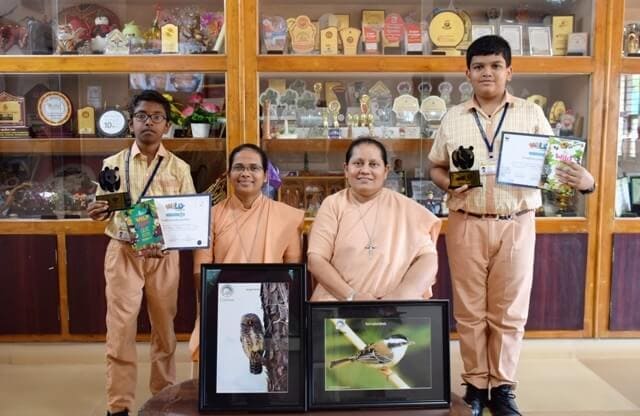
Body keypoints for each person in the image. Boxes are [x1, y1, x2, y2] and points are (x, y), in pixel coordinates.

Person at [428, 35, 595, 416]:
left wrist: (583, 179)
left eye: (495, 65)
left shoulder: (531, 115)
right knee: (469, 311)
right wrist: (450, 182)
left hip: (517, 222)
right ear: (467, 72)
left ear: (509, 71)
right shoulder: (453, 117)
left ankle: (502, 387)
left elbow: (554, 166)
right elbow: (436, 166)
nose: (487, 72)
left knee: (510, 311)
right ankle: (474, 385)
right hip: (466, 221)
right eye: (479, 66)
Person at [87, 90, 196, 416]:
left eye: (156, 117)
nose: (149, 122)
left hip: (163, 256)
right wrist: (98, 211)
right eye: (142, 116)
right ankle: (118, 405)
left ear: (166, 126)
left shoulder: (178, 168)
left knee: (164, 330)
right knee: (120, 330)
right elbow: (106, 208)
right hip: (123, 253)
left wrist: (171, 238)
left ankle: (162, 398)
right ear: (131, 123)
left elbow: (188, 215)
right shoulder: (113, 164)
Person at [188, 143, 305, 361]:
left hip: (272, 303)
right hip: (224, 300)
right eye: (239, 167)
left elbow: (293, 271)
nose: (246, 174)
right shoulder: (211, 216)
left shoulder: (286, 216)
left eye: (253, 168)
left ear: (265, 175)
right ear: (229, 173)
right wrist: (212, 305)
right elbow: (200, 270)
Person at [308, 137, 441, 302]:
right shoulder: (333, 205)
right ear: (346, 169)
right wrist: (352, 296)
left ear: (385, 171)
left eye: (373, 164)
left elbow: (428, 259)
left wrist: (399, 296)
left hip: (395, 309)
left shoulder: (406, 208)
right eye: (358, 163)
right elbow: (316, 259)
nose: (365, 170)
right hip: (338, 304)